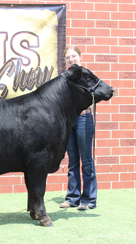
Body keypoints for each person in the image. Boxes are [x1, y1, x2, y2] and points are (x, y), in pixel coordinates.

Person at [59, 45, 97, 210]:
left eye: (74, 56)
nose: (71, 59)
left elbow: (96, 95)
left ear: (80, 57)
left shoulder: (86, 75)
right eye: (68, 57)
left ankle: (88, 200)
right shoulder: (65, 77)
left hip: (84, 119)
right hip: (70, 121)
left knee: (86, 160)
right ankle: (72, 198)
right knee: (73, 160)